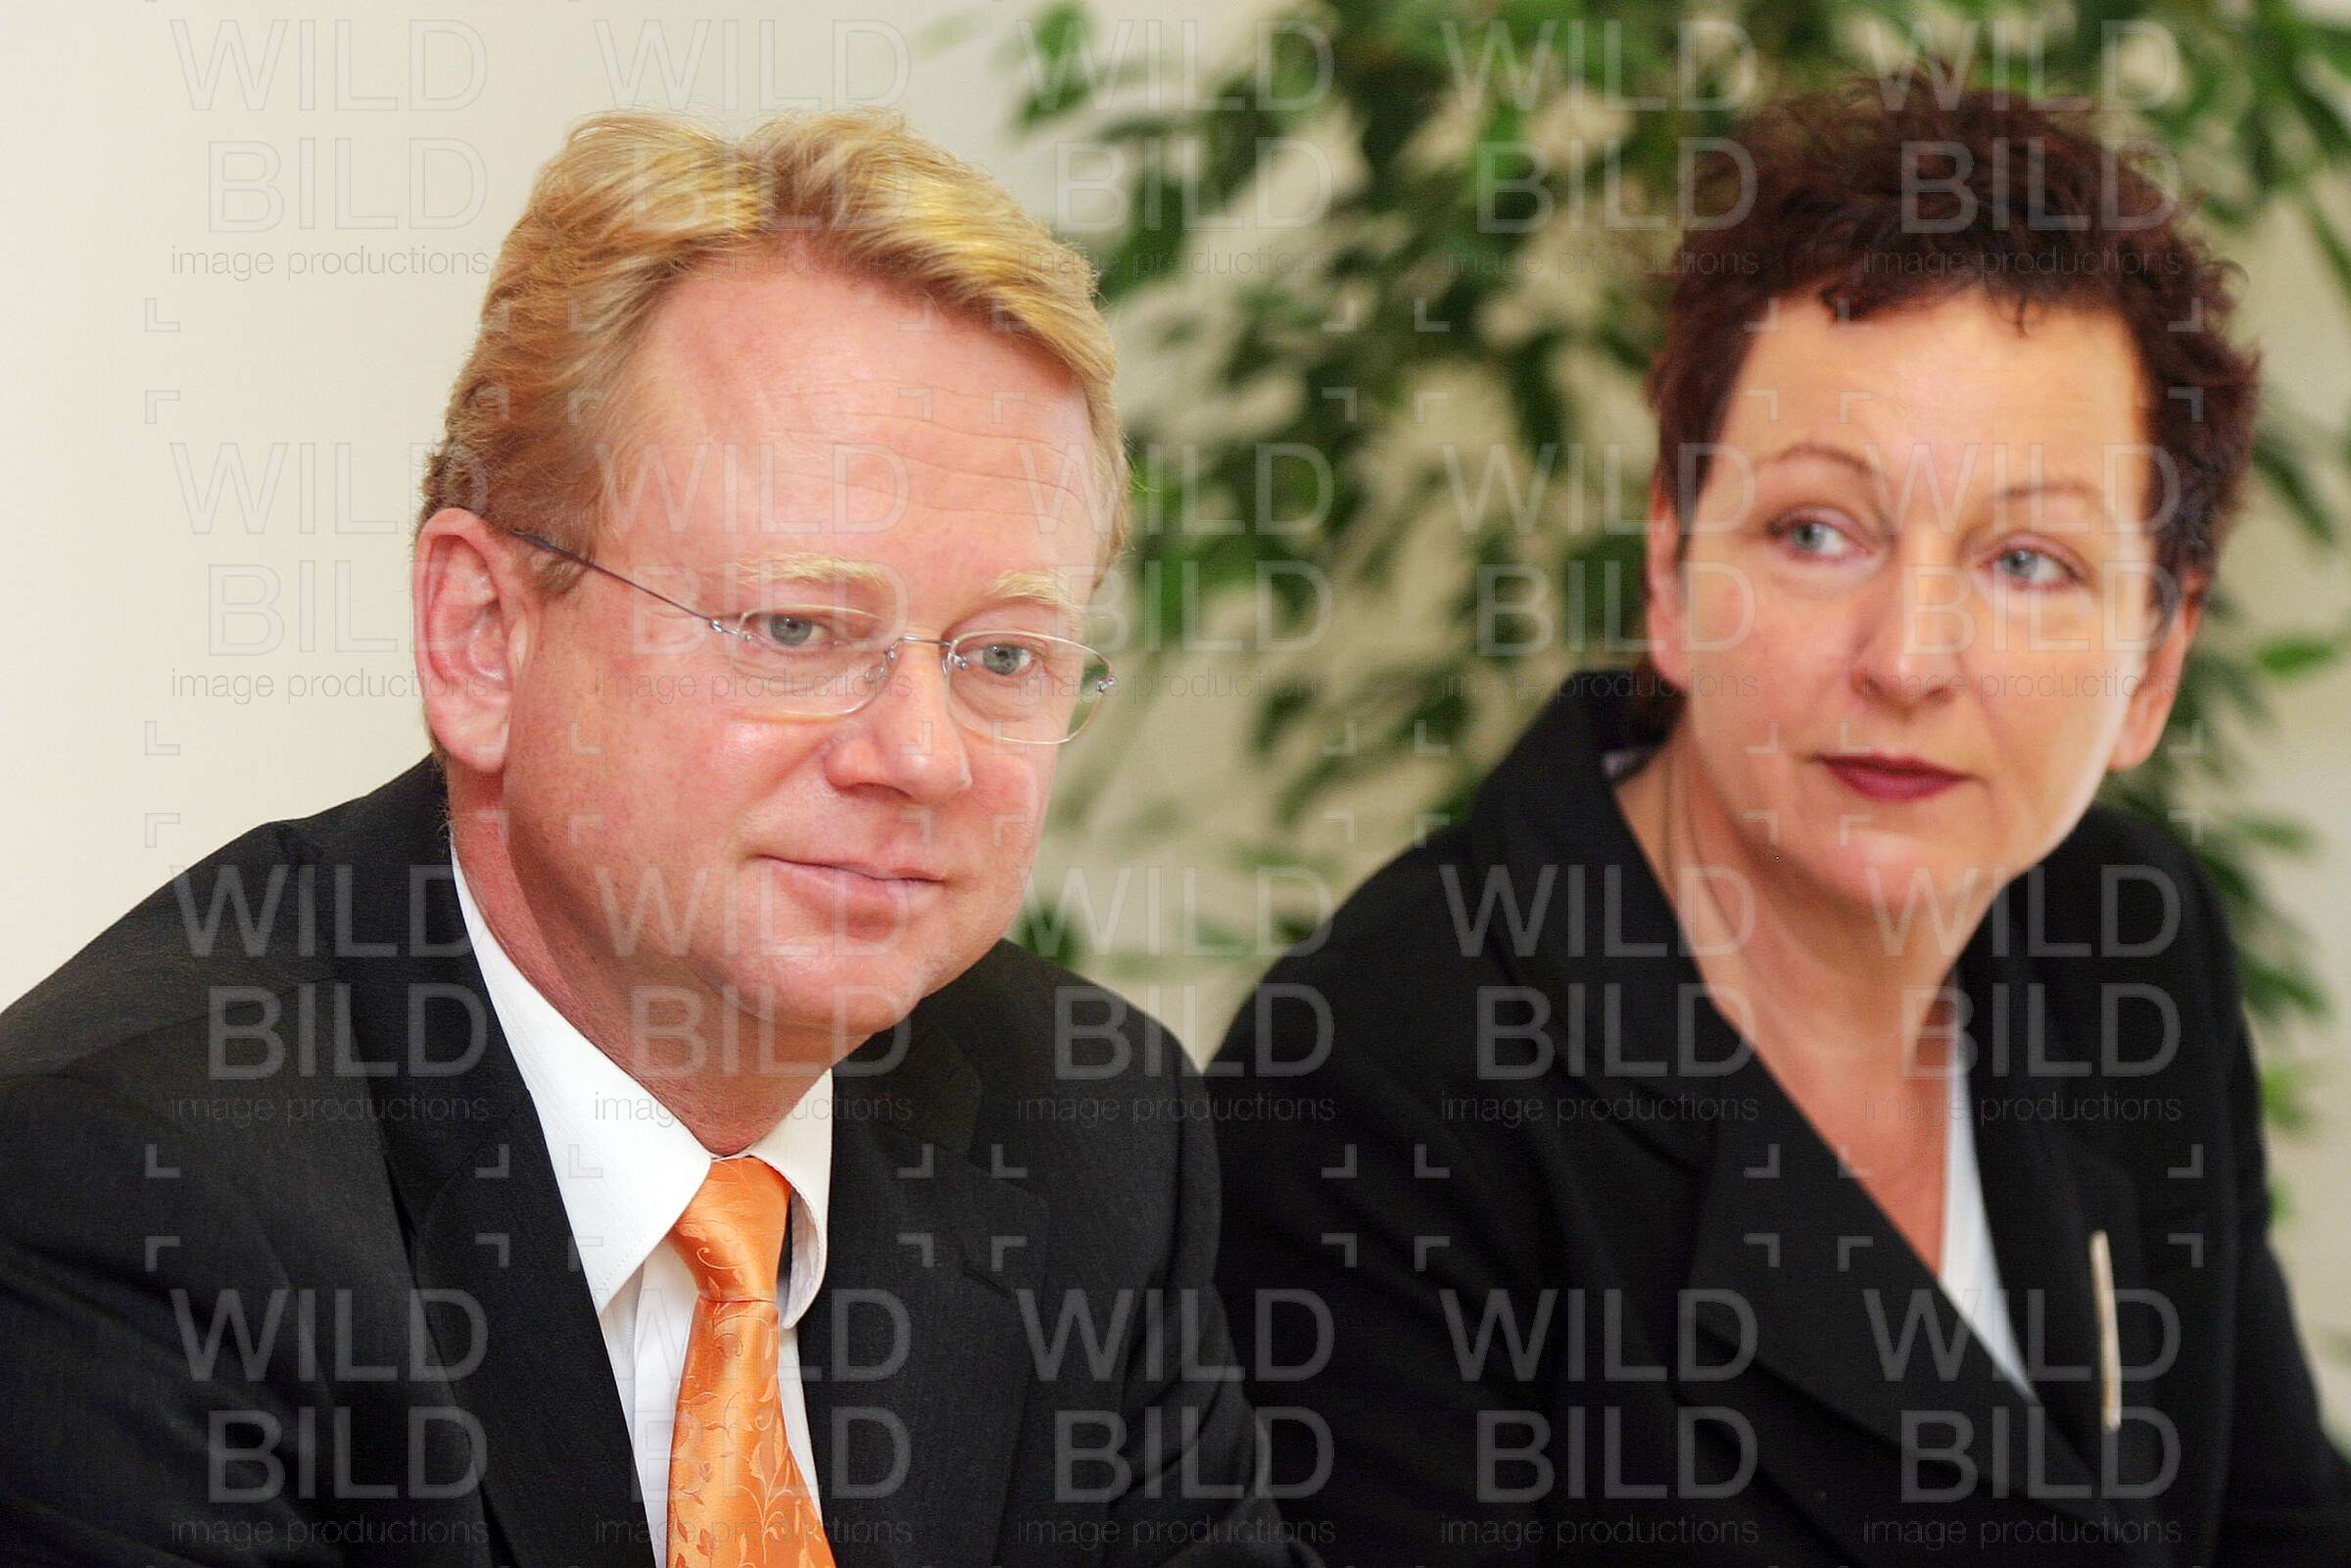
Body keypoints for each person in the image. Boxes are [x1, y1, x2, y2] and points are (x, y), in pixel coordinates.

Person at [0, 109, 1305, 1568]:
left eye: (1004, 656)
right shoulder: (130, 1192)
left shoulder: (1088, 1127)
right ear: (482, 638)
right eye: (796, 629)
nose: (922, 758)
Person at [1208, 74, 2351, 1565]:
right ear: (1671, 575)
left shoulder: (2129, 935)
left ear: (2154, 669)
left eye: (2028, 561)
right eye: (1817, 531)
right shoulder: (1377, 1091)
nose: (1908, 659)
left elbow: (2277, 1524)